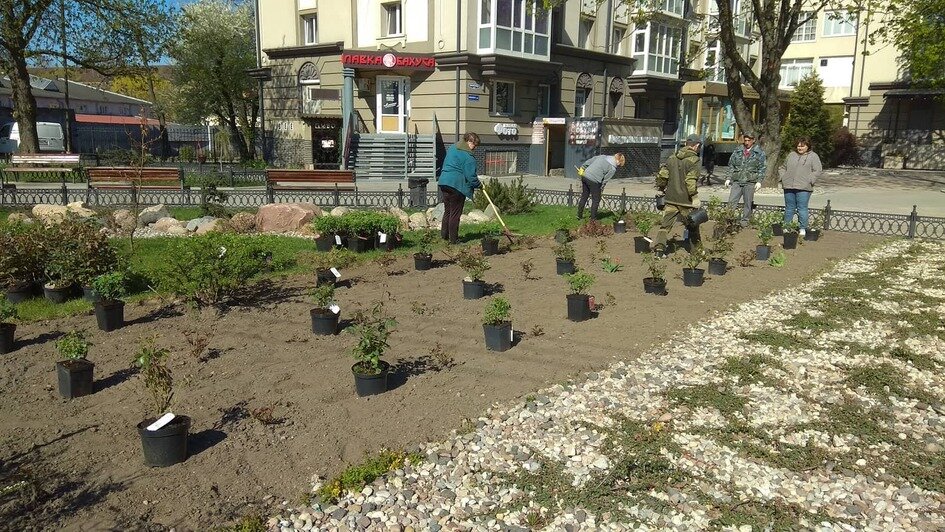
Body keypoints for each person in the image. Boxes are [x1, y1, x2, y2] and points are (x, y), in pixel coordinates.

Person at [654, 135, 702, 254]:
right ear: (696, 146)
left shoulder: (672, 157)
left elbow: (663, 175)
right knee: (692, 226)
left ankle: (659, 249)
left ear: (686, 143)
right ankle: (697, 251)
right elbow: (690, 180)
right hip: (685, 201)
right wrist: (695, 197)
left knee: (665, 226)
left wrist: (661, 187)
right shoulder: (694, 160)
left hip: (670, 199)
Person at [437, 132, 481, 244]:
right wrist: (478, 185)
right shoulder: (468, 156)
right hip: (456, 185)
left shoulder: (453, 147)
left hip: (444, 182)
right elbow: (471, 176)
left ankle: (444, 235)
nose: (474, 148)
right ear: (469, 141)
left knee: (448, 211)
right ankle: (454, 240)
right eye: (474, 145)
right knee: (455, 213)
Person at [779, 137, 822, 237]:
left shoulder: (813, 156)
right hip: (789, 186)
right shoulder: (791, 155)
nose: (800, 148)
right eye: (798, 145)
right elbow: (783, 167)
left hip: (804, 188)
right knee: (789, 208)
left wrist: (810, 180)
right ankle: (786, 226)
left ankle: (803, 228)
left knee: (802, 208)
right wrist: (783, 177)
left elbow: (817, 170)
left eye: (803, 146)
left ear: (808, 146)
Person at [725, 132, 766, 226]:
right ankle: (728, 221)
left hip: (750, 181)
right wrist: (728, 178)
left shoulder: (759, 152)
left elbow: (762, 167)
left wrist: (759, 181)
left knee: (747, 203)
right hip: (737, 180)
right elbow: (731, 165)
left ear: (753, 140)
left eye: (749, 140)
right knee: (731, 202)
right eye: (745, 140)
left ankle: (745, 222)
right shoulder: (738, 150)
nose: (747, 142)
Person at [576, 152, 626, 220]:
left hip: (585, 176)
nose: (618, 165)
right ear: (618, 161)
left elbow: (589, 161)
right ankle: (593, 219)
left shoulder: (602, 156)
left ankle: (579, 215)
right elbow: (605, 181)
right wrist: (601, 189)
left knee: (584, 196)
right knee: (596, 200)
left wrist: (582, 168)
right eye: (619, 164)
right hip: (594, 181)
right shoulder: (612, 168)